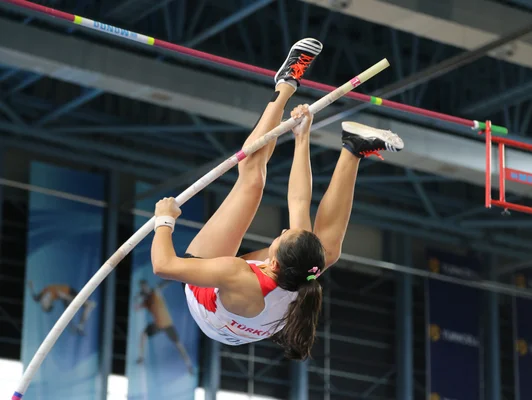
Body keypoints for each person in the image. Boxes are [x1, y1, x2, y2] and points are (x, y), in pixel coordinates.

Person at [150, 38, 404, 360]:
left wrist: (164, 219)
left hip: (210, 307)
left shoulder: (235, 272)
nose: (283, 232)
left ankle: (285, 84)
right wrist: (302, 137)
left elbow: (163, 266)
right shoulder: (302, 270)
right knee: (326, 252)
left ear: (271, 261)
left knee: (252, 181)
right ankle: (353, 148)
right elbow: (299, 200)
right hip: (250, 312)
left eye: (282, 236)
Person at [134, 279, 194, 374]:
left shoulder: (155, 292)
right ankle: (141, 357)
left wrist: (173, 278)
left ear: (146, 286)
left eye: (144, 287)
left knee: (179, 345)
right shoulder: (146, 301)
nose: (144, 289)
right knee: (143, 334)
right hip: (158, 325)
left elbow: (163, 284)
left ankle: (188, 365)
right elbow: (136, 308)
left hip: (167, 324)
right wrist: (137, 297)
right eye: (142, 288)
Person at [28, 281, 96, 335]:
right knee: (86, 305)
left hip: (68, 292)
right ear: (50, 303)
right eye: (45, 304)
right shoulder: (56, 294)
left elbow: (35, 298)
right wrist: (82, 301)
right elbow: (66, 297)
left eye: (43, 304)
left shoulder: (41, 295)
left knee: (85, 306)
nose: (43, 302)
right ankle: (80, 325)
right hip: (69, 293)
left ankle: (80, 324)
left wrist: (31, 286)